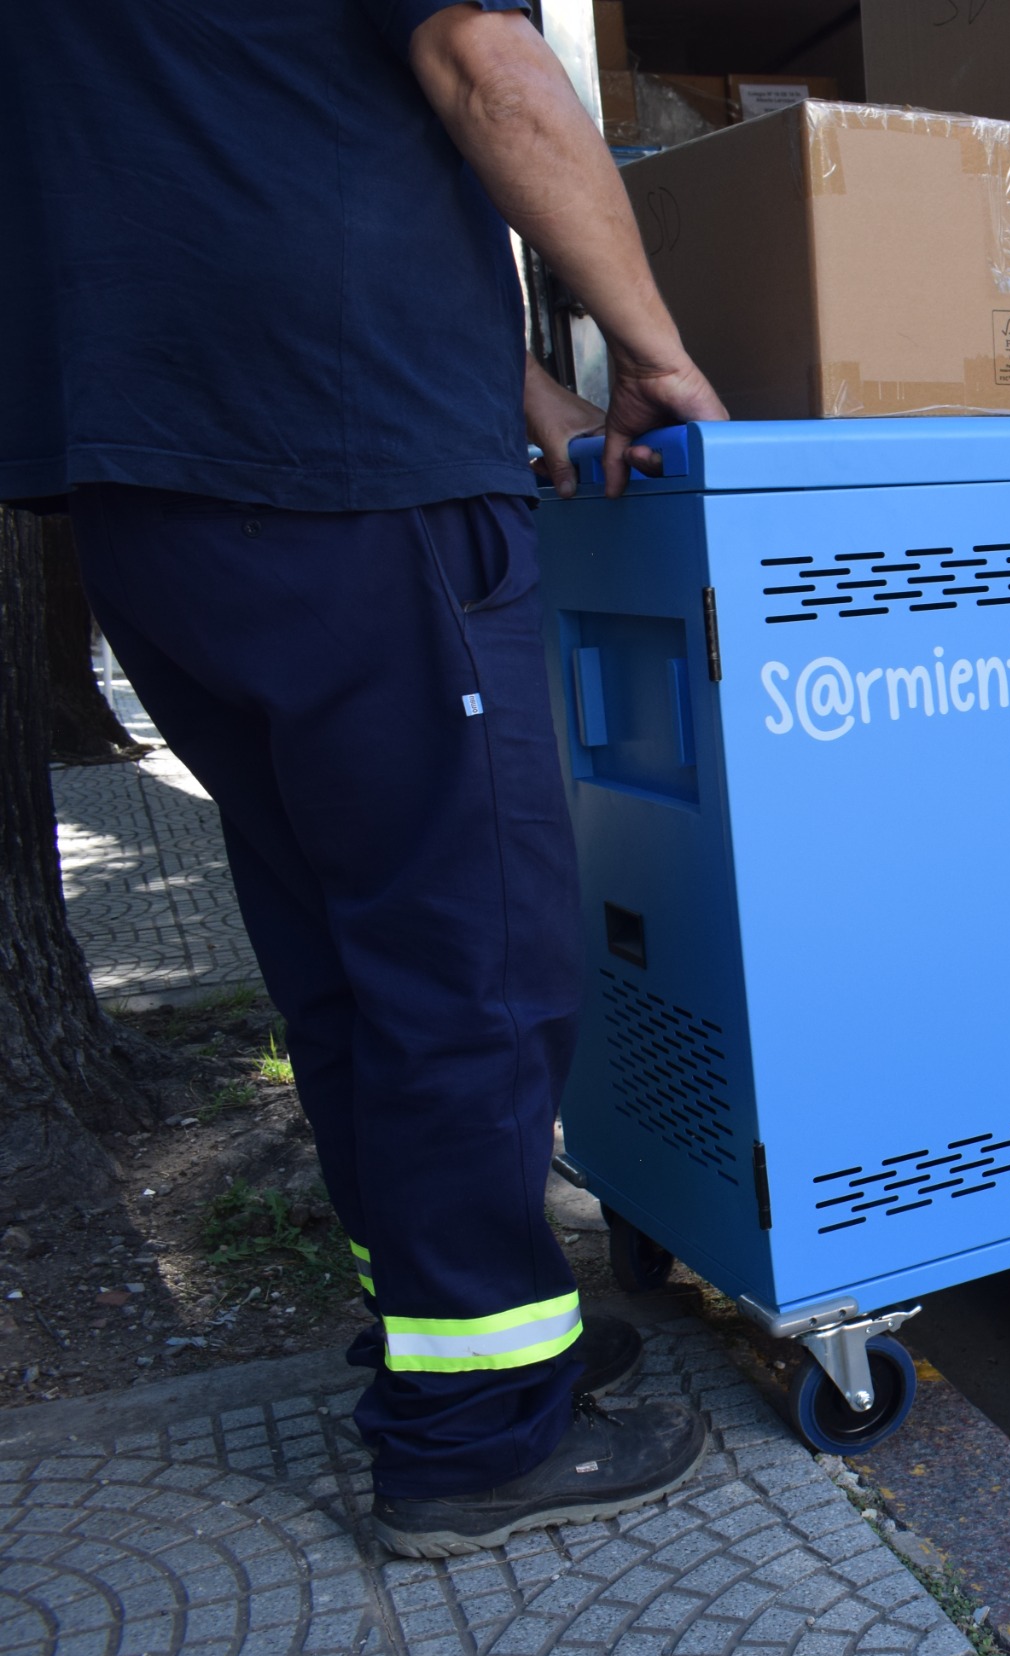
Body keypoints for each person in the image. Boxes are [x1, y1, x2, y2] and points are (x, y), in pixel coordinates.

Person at [0, 2, 727, 1556]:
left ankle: (466, 1324)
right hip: (347, 483)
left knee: (347, 958)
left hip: (156, 493)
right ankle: (475, 1439)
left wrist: (528, 400)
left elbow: (257, 152)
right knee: (474, 967)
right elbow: (487, 68)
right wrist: (652, 354)